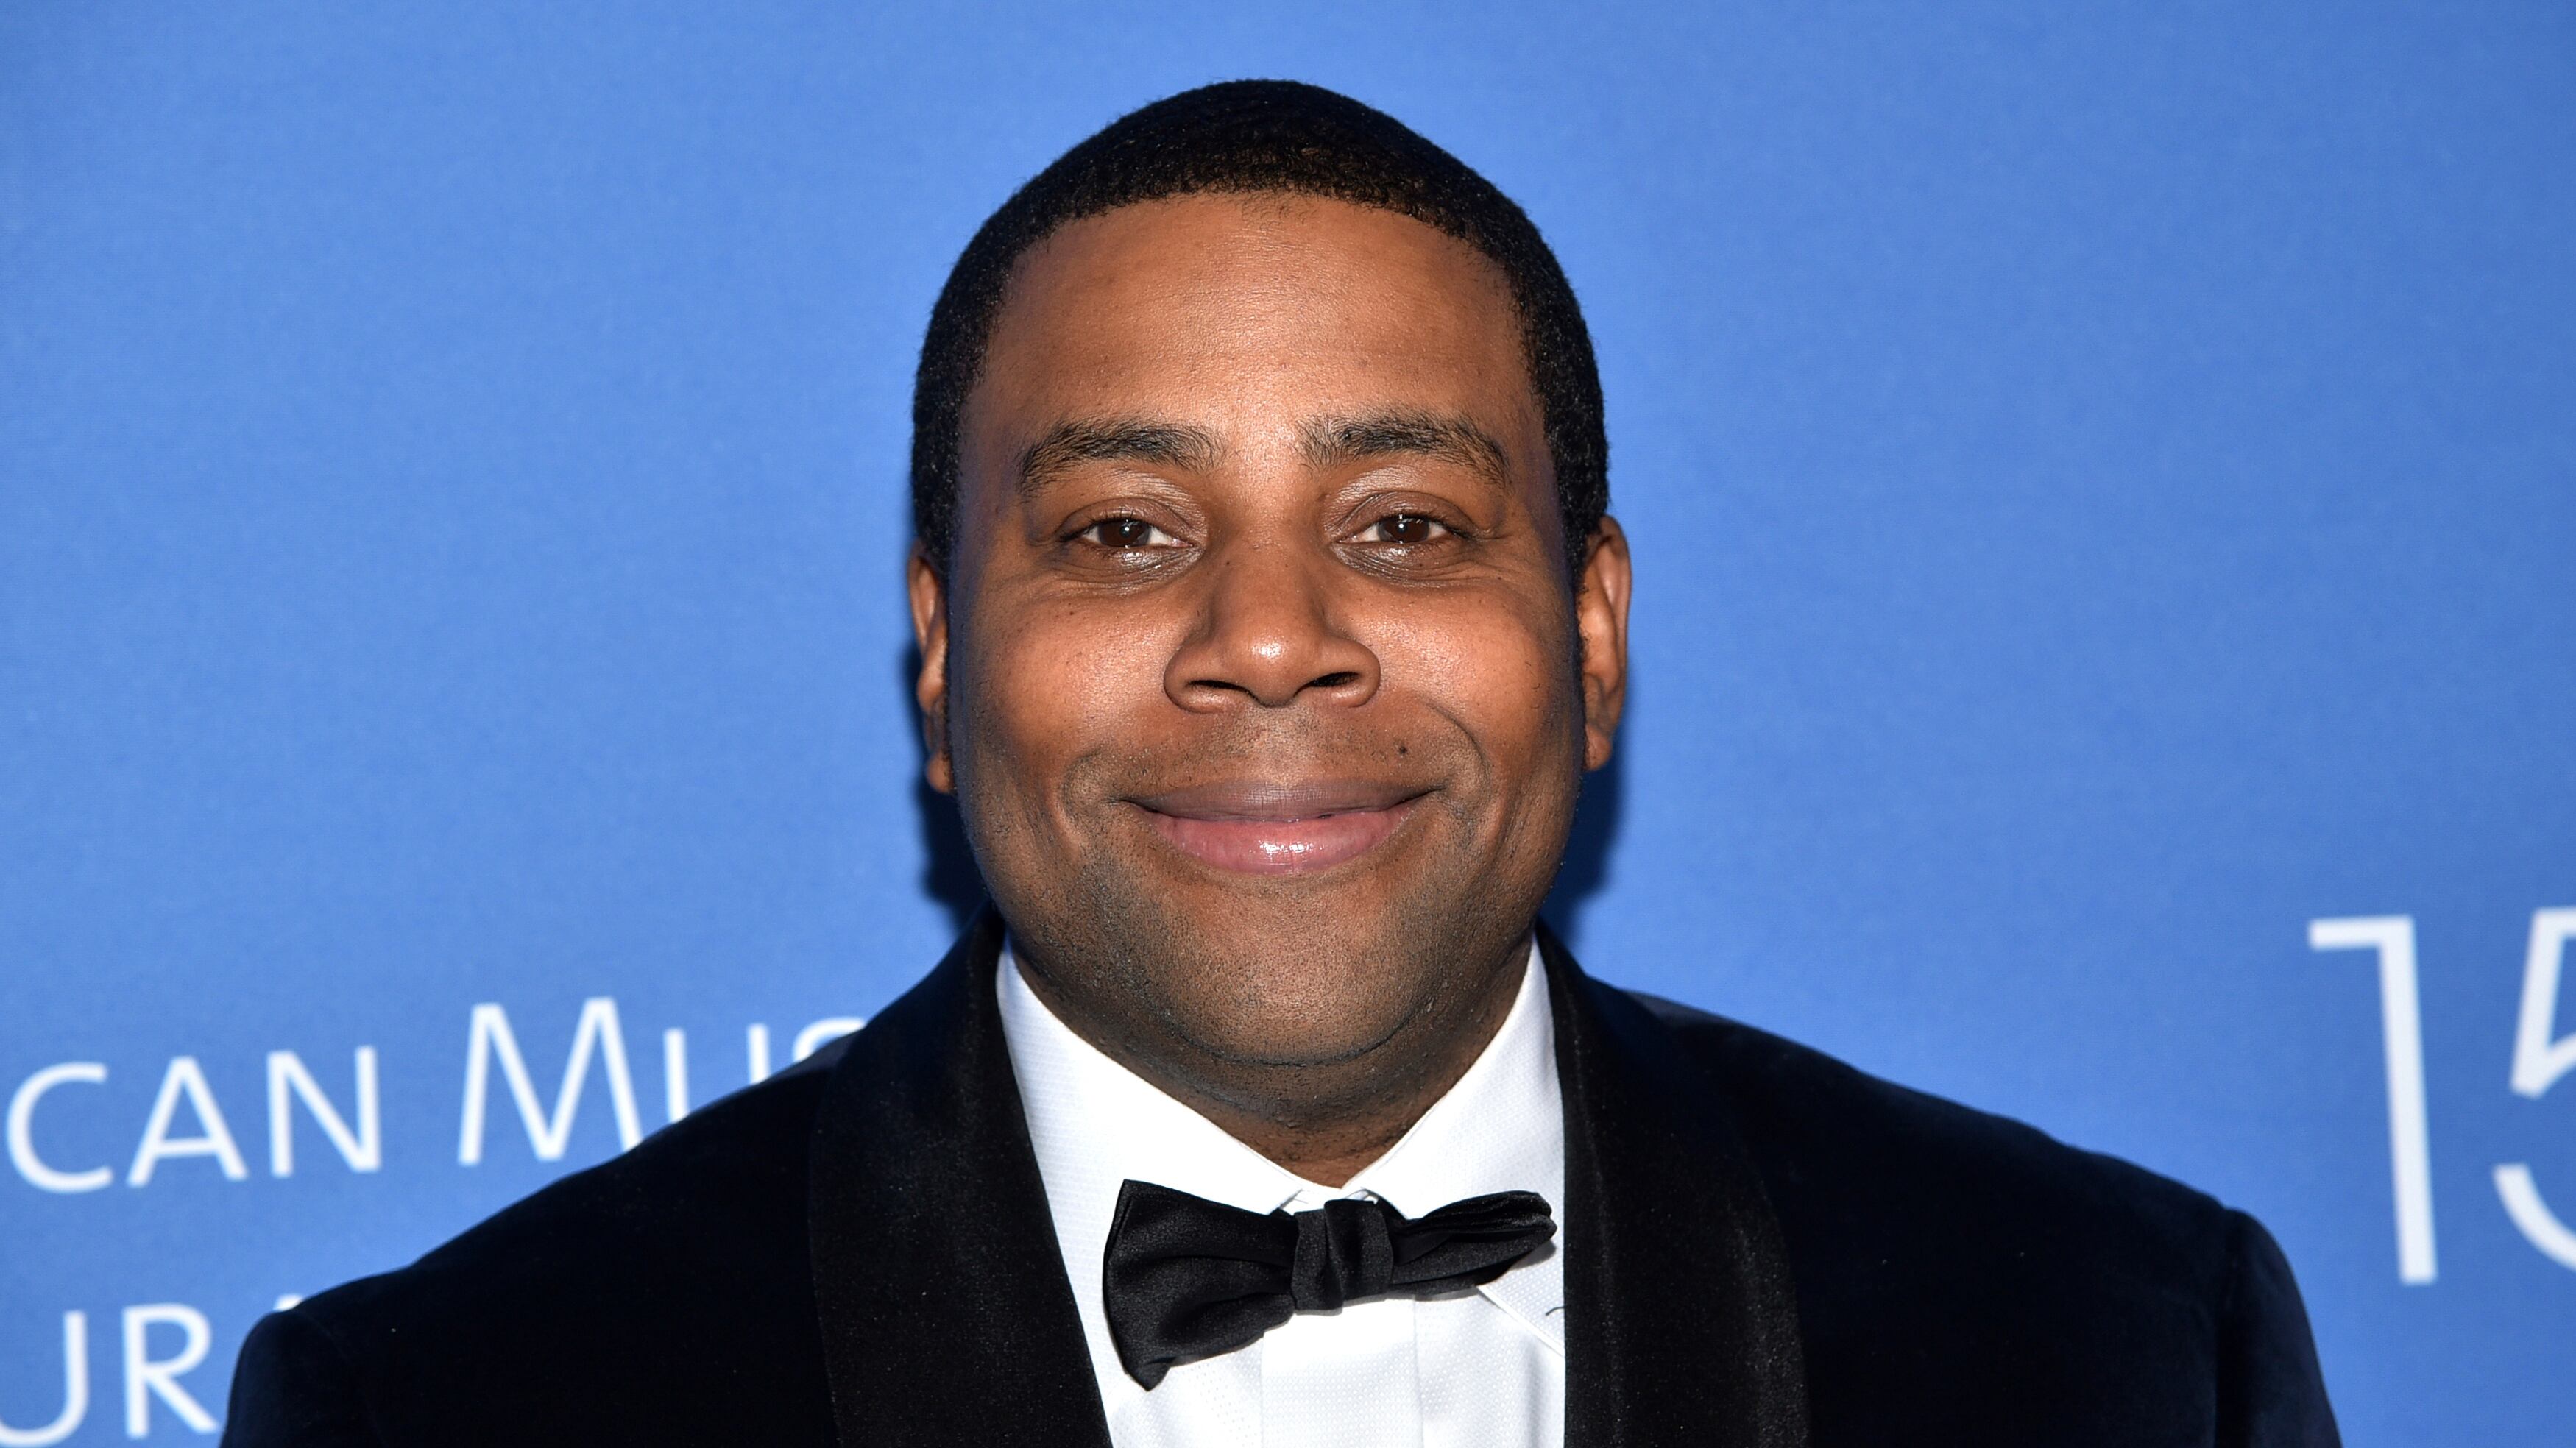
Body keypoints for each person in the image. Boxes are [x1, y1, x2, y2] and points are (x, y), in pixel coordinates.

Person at [221, 80, 2339, 1447]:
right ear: (944, 655)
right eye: (1121, 532)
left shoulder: (2122, 1348)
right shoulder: (454, 1406)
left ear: (1590, 637)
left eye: (1402, 524)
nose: (1265, 636)